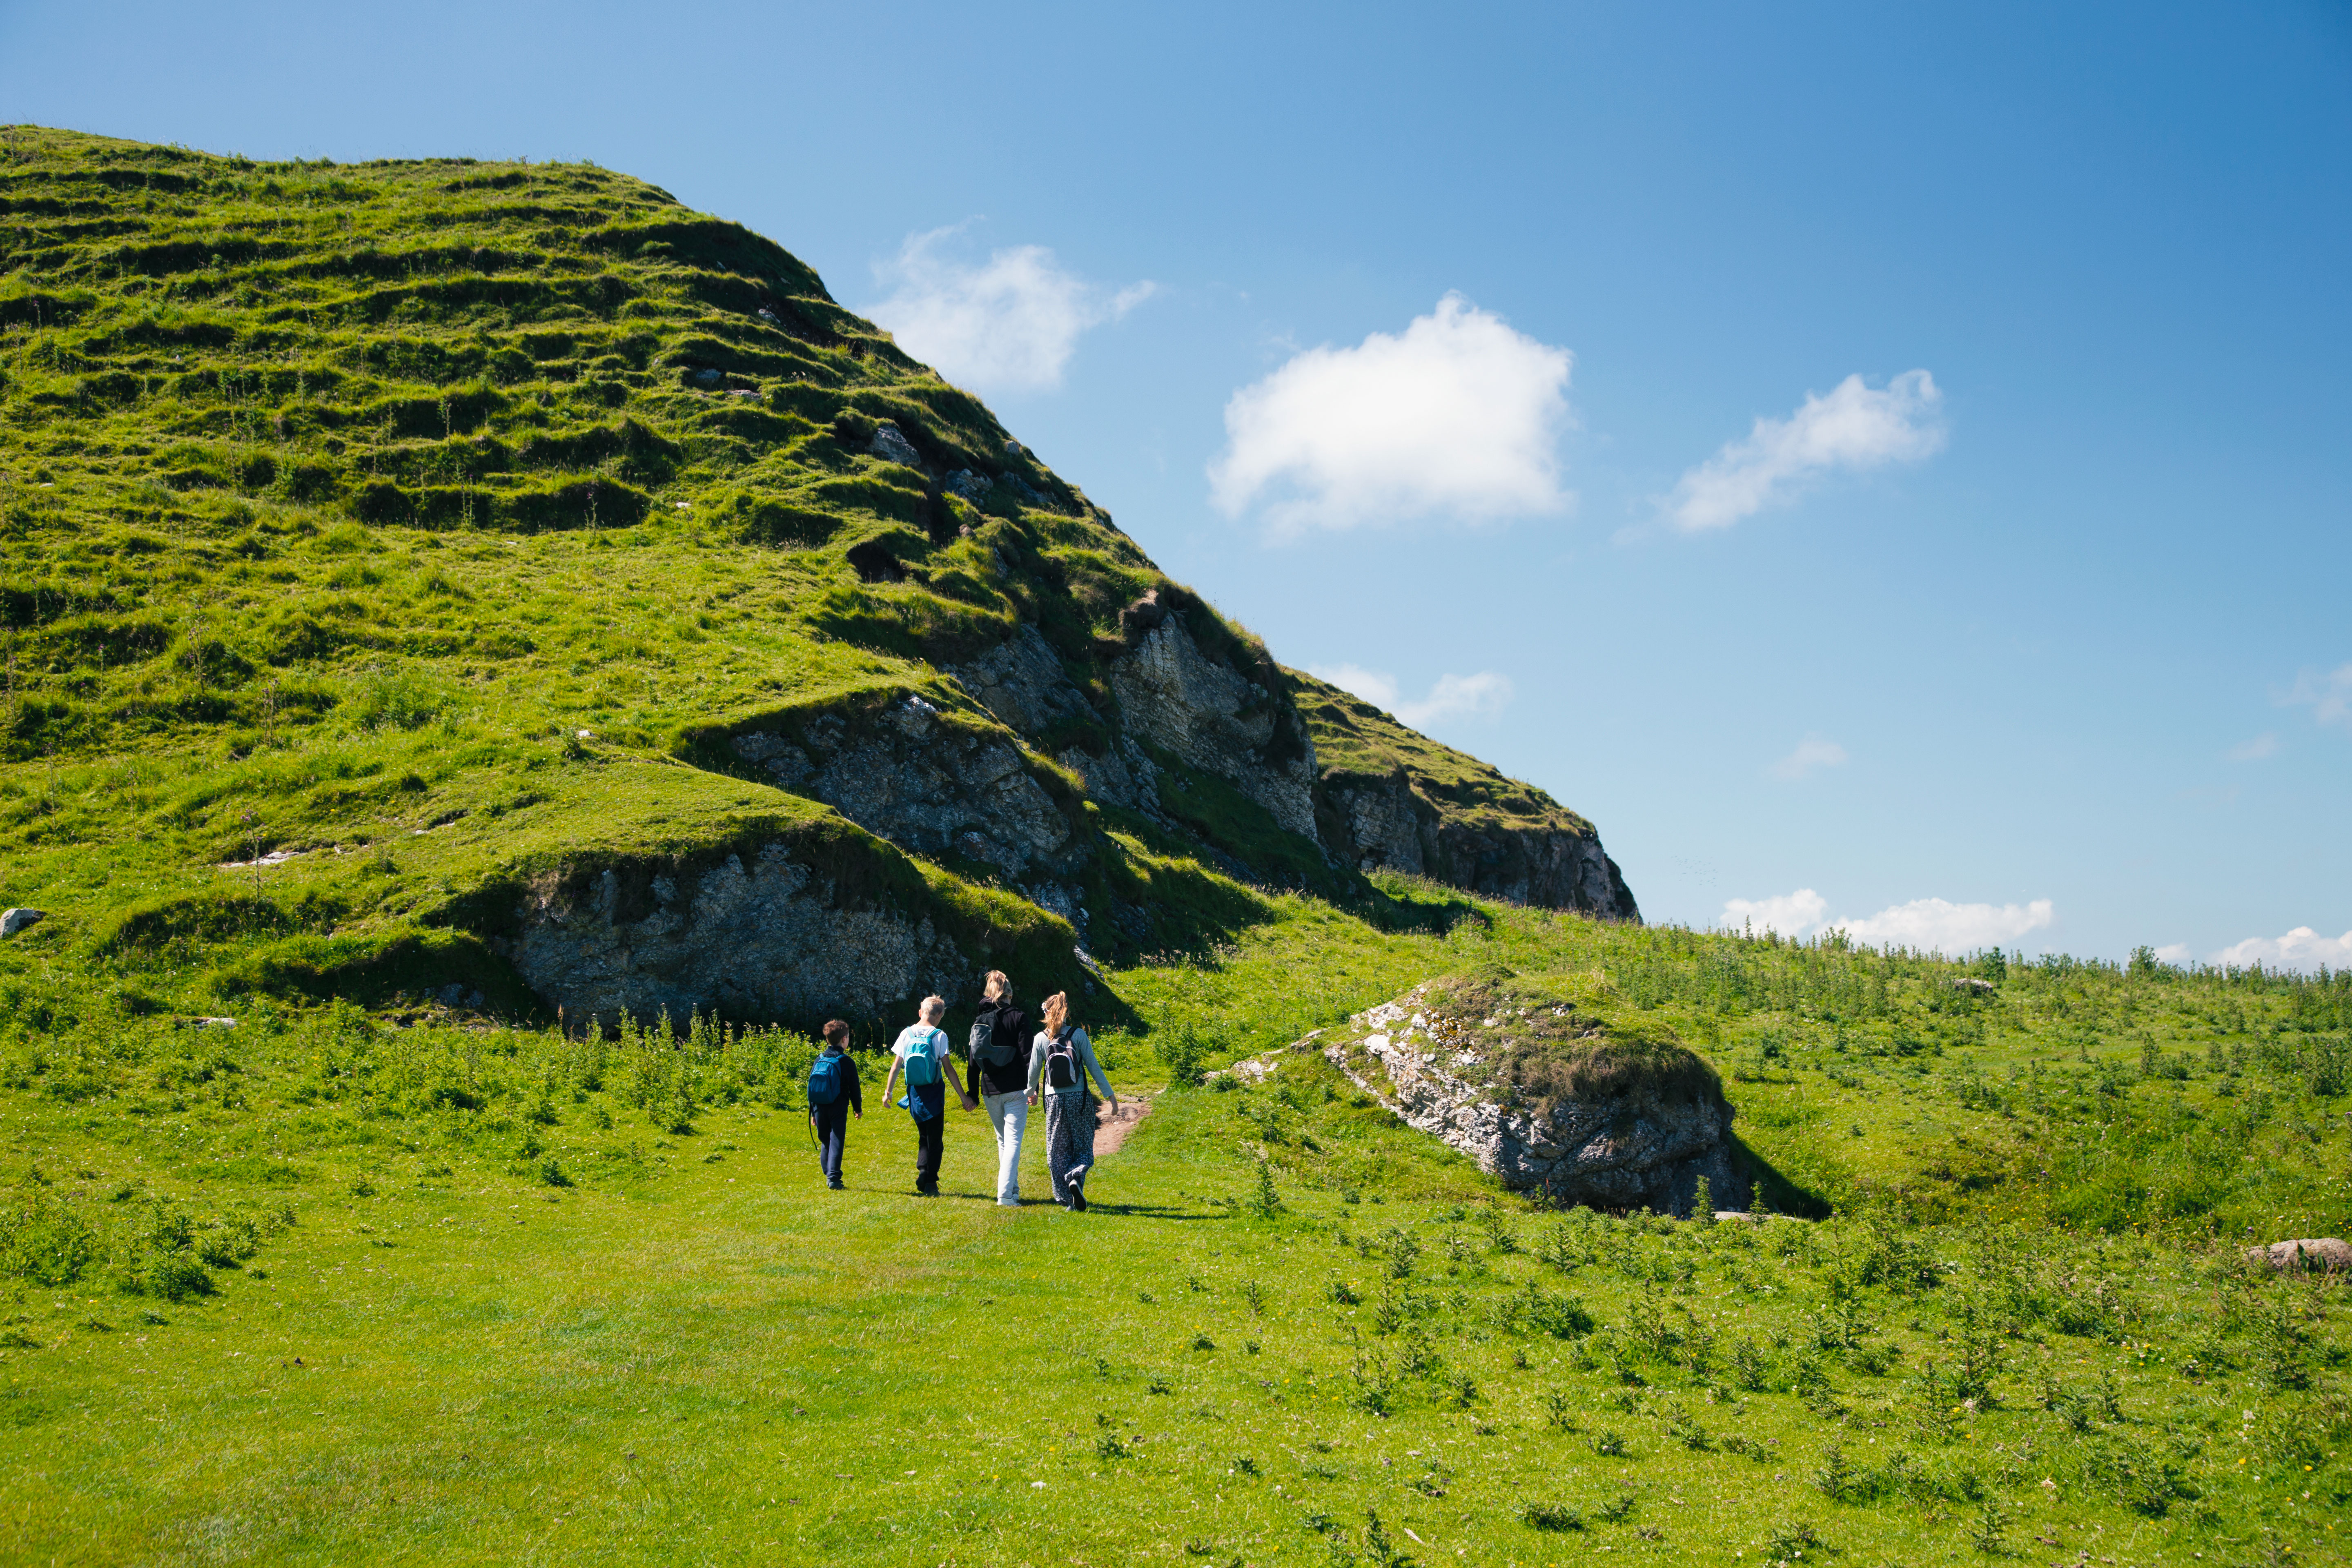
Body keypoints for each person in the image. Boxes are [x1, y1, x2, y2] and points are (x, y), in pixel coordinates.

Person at [1026, 991, 1118, 1211]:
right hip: (1079, 1099)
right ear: (1066, 1012)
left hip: (1054, 1100)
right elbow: (1093, 1067)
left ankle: (1067, 1199)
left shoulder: (1040, 1038)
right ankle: (1075, 1178)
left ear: (1046, 1013)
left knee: (1056, 1149)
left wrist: (1031, 1093)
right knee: (1082, 1145)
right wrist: (1111, 1097)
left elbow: (1033, 1071)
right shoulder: (1078, 1035)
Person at [879, 995, 973, 1195]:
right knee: (935, 1140)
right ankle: (930, 1182)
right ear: (940, 1015)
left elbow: (896, 1066)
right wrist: (963, 1097)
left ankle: (924, 1171)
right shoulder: (940, 1036)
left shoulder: (906, 1033)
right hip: (934, 1092)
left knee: (924, 1136)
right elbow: (948, 1069)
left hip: (914, 1092)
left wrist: (888, 1092)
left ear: (920, 1012)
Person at [965, 971, 1031, 1207]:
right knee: (1012, 1142)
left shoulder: (980, 1020)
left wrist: (973, 1094)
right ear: (1009, 994)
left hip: (989, 1089)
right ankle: (1004, 1195)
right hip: (1015, 1089)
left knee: (1003, 1141)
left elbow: (973, 1061)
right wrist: (1032, 1087)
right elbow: (1027, 1056)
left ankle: (1012, 1192)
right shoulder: (1019, 1017)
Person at [806, 1019, 862, 1190]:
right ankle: (834, 1178)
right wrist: (857, 1109)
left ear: (827, 1039)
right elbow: (854, 1088)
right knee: (836, 1140)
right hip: (838, 1107)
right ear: (845, 1039)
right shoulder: (847, 1062)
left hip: (819, 1107)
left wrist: (813, 1112)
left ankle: (829, 1172)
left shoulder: (819, 1059)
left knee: (825, 1140)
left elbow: (812, 1086)